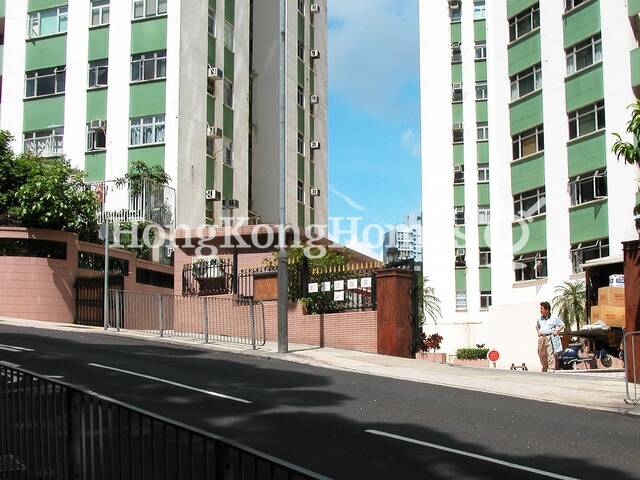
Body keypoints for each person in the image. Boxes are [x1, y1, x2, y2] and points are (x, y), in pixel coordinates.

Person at [536, 301, 564, 372]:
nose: (540, 310)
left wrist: (557, 332)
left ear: (547, 309)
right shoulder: (539, 318)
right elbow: (537, 326)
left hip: (549, 337)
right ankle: (545, 367)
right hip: (541, 338)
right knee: (540, 353)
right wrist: (538, 332)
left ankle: (551, 368)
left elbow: (562, 325)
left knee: (550, 353)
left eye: (541, 308)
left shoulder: (554, 318)